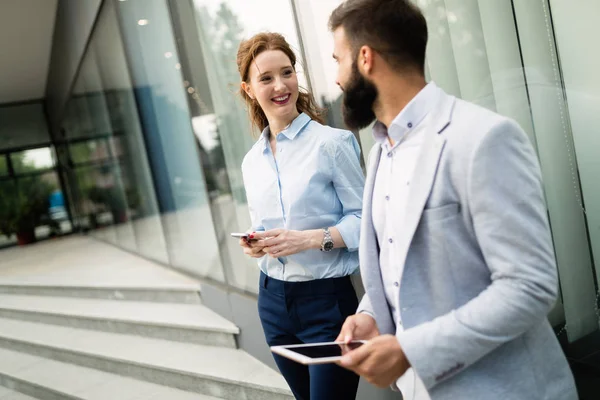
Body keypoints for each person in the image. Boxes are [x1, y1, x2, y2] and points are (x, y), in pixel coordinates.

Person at [328, 1, 578, 399]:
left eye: (338, 60)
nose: (337, 78)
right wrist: (370, 315)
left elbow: (528, 286)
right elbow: (400, 266)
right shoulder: (378, 153)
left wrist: (412, 350)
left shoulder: (483, 138)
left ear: (365, 58)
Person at [236, 32, 364, 400]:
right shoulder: (251, 162)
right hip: (273, 303)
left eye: (287, 72)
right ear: (249, 89)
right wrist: (255, 243)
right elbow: (263, 226)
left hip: (326, 304)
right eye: (266, 78)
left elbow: (365, 220)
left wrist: (308, 239)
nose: (280, 85)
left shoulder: (332, 144)